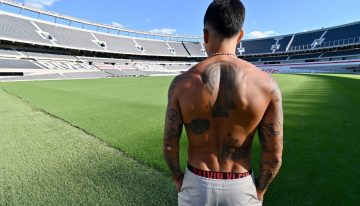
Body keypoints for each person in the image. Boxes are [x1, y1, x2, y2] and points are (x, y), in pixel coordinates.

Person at [163, 0, 283, 205]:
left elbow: (169, 145)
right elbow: (273, 154)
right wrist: (260, 190)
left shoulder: (181, 84)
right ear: (241, 35)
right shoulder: (267, 85)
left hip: (196, 184)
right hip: (240, 184)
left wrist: (178, 178)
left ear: (205, 35)